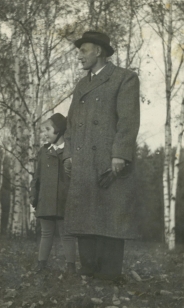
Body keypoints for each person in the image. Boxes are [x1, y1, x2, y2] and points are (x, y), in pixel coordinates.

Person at [63, 31, 140, 280]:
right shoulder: (81, 85)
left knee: (110, 216)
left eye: (83, 51)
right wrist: (67, 155)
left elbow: (128, 121)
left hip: (109, 161)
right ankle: (88, 269)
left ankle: (108, 275)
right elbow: (71, 123)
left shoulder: (124, 78)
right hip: (83, 161)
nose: (79, 57)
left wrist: (120, 155)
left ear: (99, 51)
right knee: (84, 215)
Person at [30, 113, 76, 274]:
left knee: (67, 234)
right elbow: (37, 177)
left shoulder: (71, 152)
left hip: (65, 201)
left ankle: (71, 267)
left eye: (48, 129)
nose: (45, 133)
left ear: (59, 130)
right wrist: (34, 197)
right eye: (44, 130)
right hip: (46, 201)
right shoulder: (44, 152)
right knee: (46, 233)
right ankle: (41, 266)